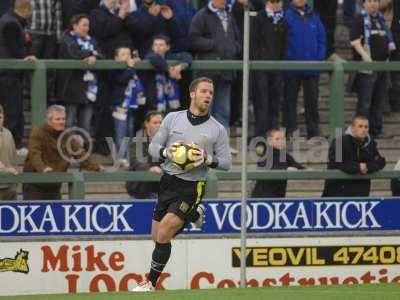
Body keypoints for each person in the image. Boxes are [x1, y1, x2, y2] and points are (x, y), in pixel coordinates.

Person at [132, 77, 232, 292]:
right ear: (192, 94)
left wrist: (207, 159)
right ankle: (195, 215)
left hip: (192, 186)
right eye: (204, 91)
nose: (208, 96)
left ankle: (150, 282)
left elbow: (226, 163)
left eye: (211, 93)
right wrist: (167, 152)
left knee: (164, 232)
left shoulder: (217, 129)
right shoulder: (172, 119)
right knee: (156, 236)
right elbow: (153, 147)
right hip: (168, 182)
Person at [23, 105, 104, 200]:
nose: (61, 122)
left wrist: (96, 167)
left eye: (63, 119)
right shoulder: (37, 132)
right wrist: (42, 168)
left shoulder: (67, 136)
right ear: (49, 121)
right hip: (35, 185)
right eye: (58, 119)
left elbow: (80, 154)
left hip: (55, 185)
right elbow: (34, 153)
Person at [188, 0, 241, 130]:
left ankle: (221, 144)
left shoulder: (229, 16)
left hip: (226, 71)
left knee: (223, 111)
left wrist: (234, 48)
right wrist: (214, 44)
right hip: (206, 74)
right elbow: (192, 39)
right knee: (203, 109)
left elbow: (238, 39)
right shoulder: (201, 15)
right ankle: (202, 145)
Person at [350, 0, 395, 139]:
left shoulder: (381, 19)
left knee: (379, 100)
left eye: (376, 1)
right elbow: (354, 41)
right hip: (366, 69)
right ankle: (361, 132)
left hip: (382, 66)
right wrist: (365, 56)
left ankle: (377, 129)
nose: (373, 4)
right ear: (363, 4)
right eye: (369, 1)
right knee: (365, 102)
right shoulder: (359, 18)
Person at [283, 0, 326, 139]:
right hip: (291, 66)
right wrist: (288, 59)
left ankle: (313, 131)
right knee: (290, 100)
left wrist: (318, 58)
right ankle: (290, 131)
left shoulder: (315, 16)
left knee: (312, 101)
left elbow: (322, 39)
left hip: (311, 67)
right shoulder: (286, 16)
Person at [0, 0, 36, 155]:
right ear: (27, 10)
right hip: (9, 75)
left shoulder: (9, 19)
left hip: (8, 75)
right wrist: (26, 56)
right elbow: (15, 50)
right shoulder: (11, 24)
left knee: (14, 110)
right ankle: (12, 146)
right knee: (12, 111)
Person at [57, 14, 104, 133]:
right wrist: (91, 53)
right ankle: (67, 149)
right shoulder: (67, 39)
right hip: (71, 88)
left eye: (88, 25)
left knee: (86, 125)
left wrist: (93, 55)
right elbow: (73, 53)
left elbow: (102, 55)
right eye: (84, 25)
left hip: (88, 89)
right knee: (69, 122)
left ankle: (83, 150)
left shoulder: (92, 40)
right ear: (74, 26)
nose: (86, 28)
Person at [322, 116, 386, 197]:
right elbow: (336, 163)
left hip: (361, 193)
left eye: (366, 127)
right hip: (337, 192)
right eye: (360, 126)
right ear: (352, 128)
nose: (364, 129)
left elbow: (380, 162)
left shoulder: (370, 143)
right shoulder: (338, 141)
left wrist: (367, 167)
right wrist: (358, 167)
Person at [251, 0, 287, 138]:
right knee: (262, 103)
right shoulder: (259, 18)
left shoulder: (282, 19)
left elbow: (284, 44)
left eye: (278, 1)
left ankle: (274, 136)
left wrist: (281, 62)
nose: (276, 3)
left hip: (277, 68)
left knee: (275, 103)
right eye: (273, 1)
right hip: (261, 69)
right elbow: (253, 43)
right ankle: (260, 136)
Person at [111, 46, 146, 167]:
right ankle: (121, 157)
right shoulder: (115, 69)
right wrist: (131, 67)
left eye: (128, 54)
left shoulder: (133, 68)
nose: (127, 56)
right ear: (116, 58)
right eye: (123, 54)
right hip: (119, 106)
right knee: (120, 132)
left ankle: (129, 157)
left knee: (129, 131)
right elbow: (121, 79)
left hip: (131, 107)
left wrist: (135, 65)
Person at [252, 128, 305, 198]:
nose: (281, 141)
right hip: (263, 197)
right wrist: (286, 169)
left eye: (283, 139)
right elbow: (267, 168)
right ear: (269, 141)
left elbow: (297, 166)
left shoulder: (285, 155)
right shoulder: (265, 154)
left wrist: (308, 170)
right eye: (277, 139)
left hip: (279, 196)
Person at [145, 34, 192, 112]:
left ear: (167, 47)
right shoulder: (149, 56)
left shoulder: (172, 57)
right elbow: (154, 58)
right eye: (155, 45)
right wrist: (170, 70)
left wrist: (179, 67)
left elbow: (188, 56)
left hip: (172, 101)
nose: (158, 47)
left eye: (161, 45)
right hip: (154, 101)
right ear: (152, 47)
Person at [126, 111, 163, 198]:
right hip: (141, 191)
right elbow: (135, 161)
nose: (159, 125)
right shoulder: (138, 140)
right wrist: (150, 168)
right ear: (146, 124)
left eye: (161, 122)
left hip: (162, 191)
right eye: (155, 123)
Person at [0, 105, 18, 200]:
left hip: (10, 186)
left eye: (0, 117)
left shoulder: (8, 133)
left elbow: (13, 156)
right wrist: (6, 170)